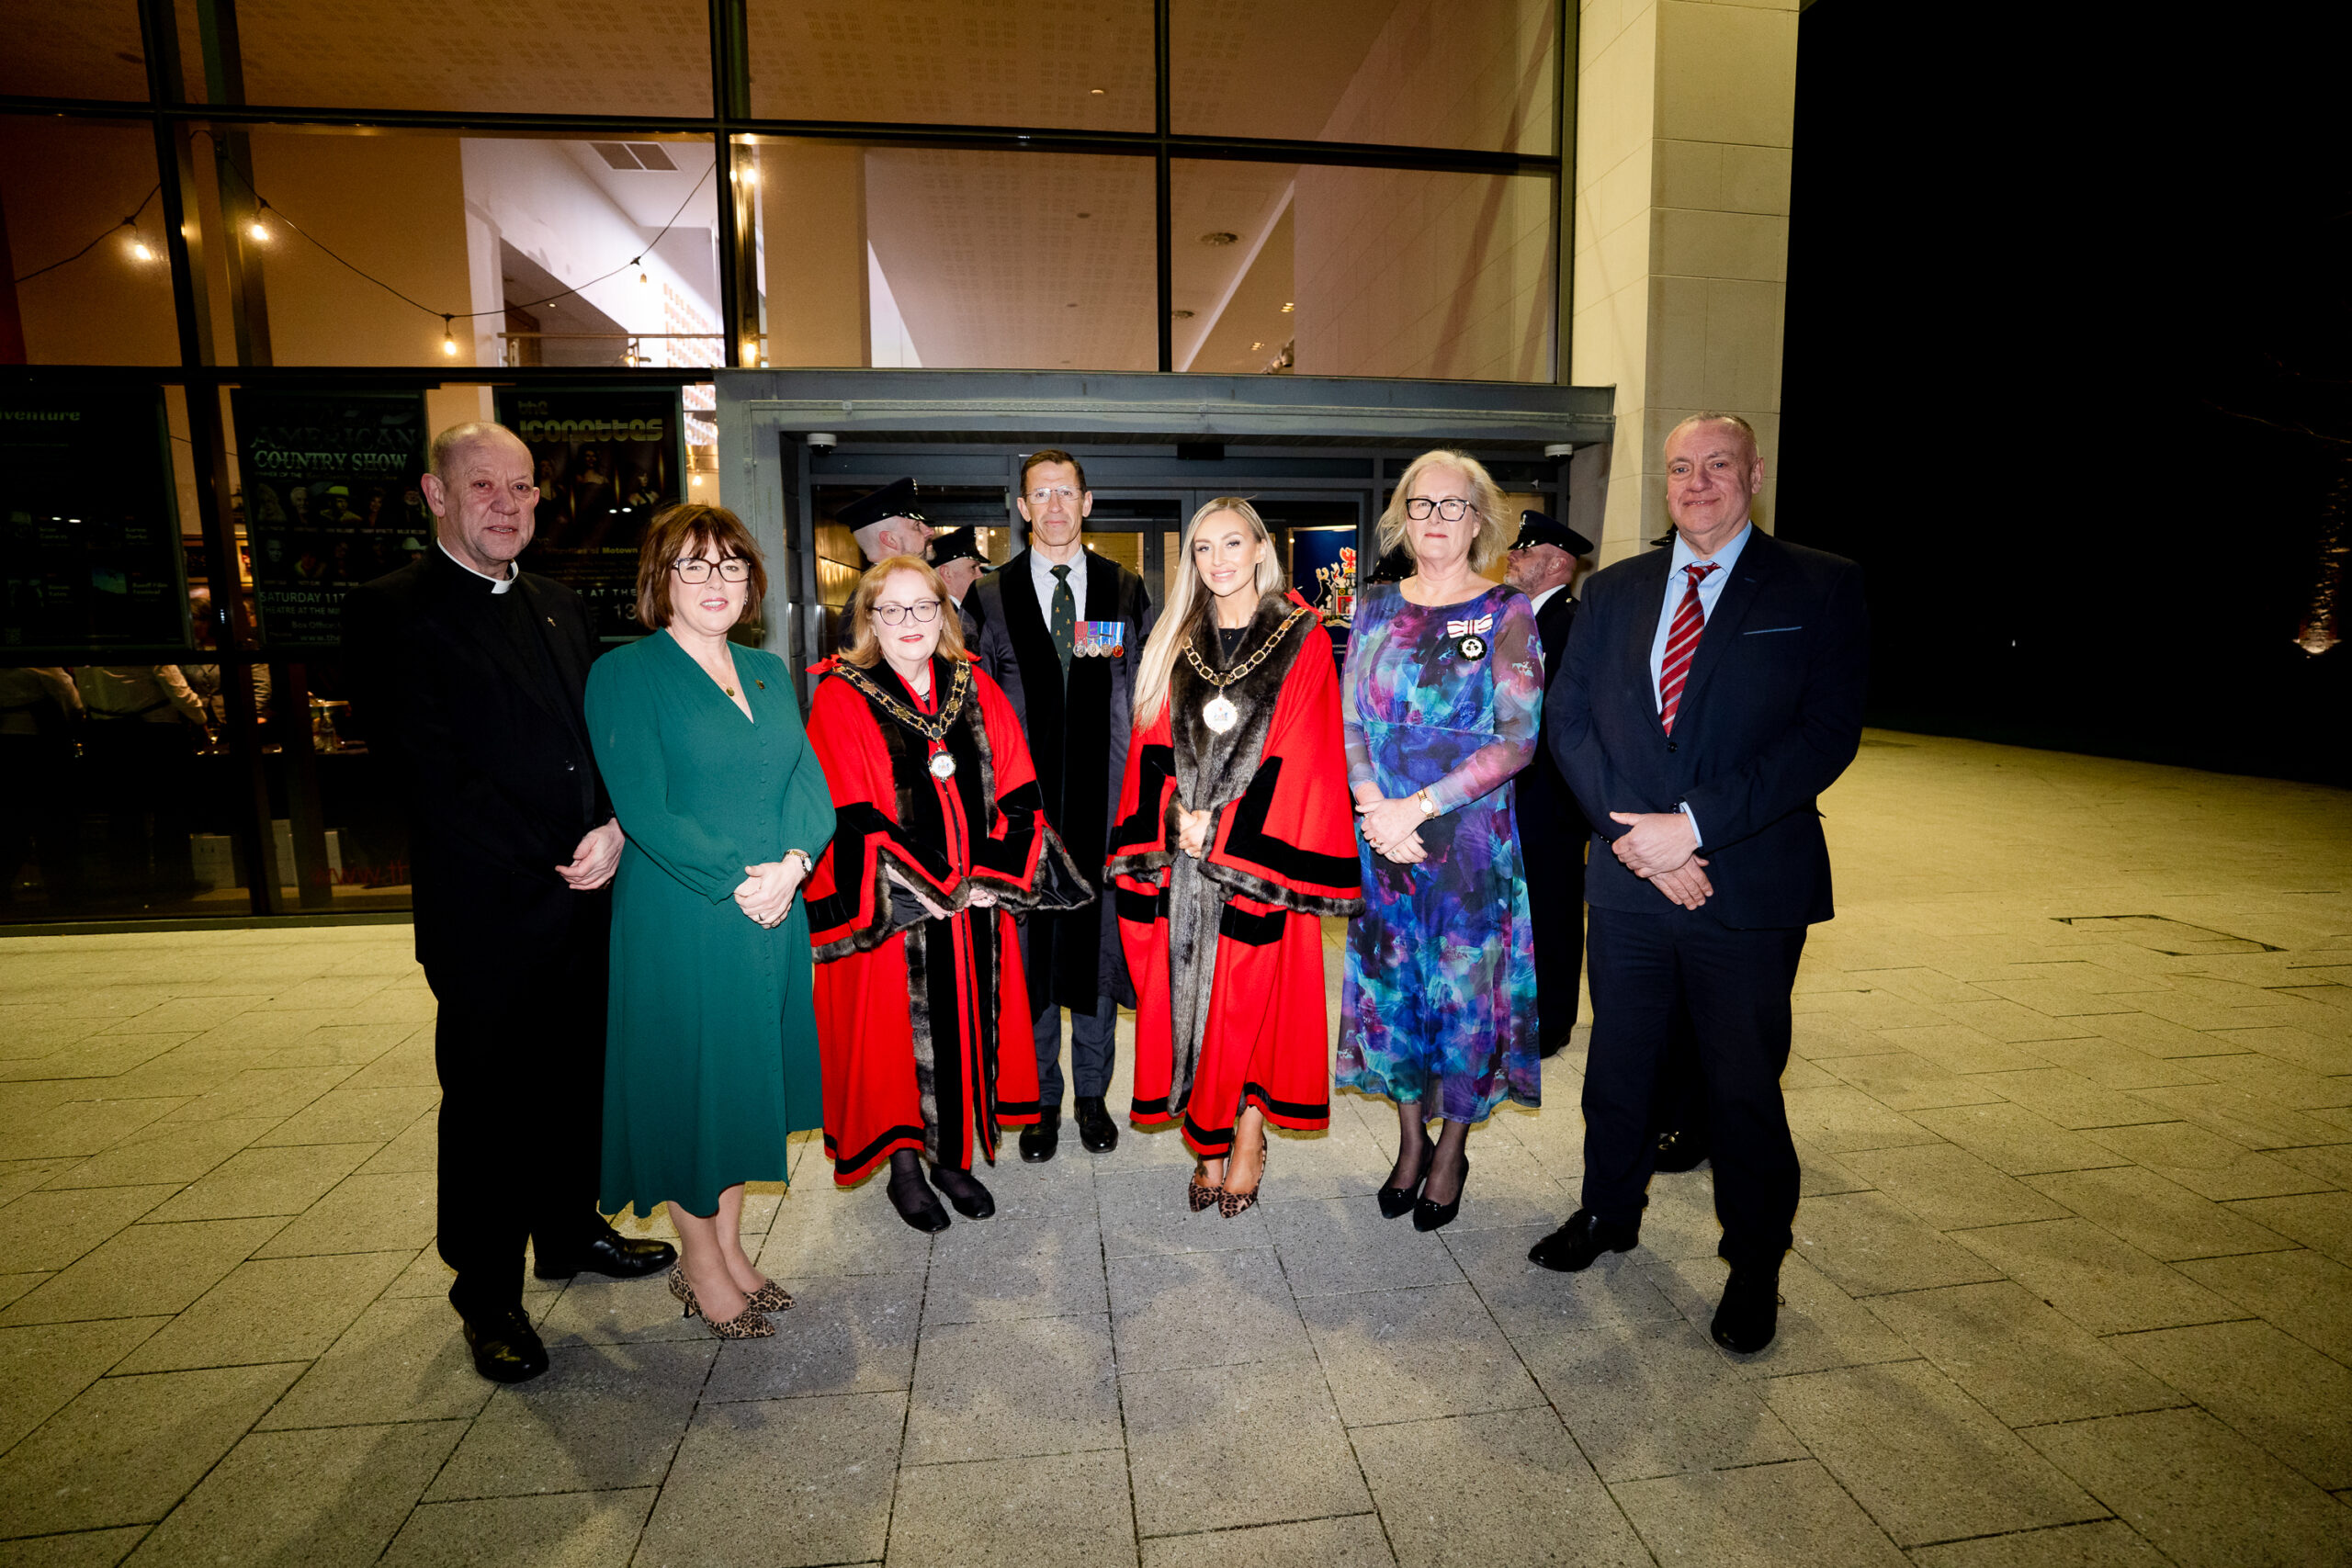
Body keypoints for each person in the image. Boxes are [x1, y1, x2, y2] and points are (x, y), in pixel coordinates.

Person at [1527, 412, 1867, 1357]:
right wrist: (1635, 841)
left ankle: (1754, 1262)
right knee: (1620, 1064)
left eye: (1717, 465)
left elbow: (1823, 736)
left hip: (1746, 884)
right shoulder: (1618, 591)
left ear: (1753, 473)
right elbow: (1570, 724)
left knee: (1740, 1082)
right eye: (1681, 468)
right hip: (1632, 882)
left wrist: (1695, 830)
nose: (1697, 482)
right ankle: (1607, 1214)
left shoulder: (1820, 586)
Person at [344, 421, 675, 1386]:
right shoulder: (390, 611)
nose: (507, 505)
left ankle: (569, 1232)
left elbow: (602, 739)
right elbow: (428, 775)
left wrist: (615, 825)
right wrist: (556, 851)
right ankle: (485, 1294)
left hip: (586, 897)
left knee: (578, 1081)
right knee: (489, 1106)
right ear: (435, 495)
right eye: (483, 486)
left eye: (522, 488)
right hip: (488, 909)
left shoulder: (560, 605)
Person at [584, 504, 832, 1337]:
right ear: (662, 580)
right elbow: (643, 806)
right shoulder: (626, 675)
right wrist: (740, 881)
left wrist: (795, 864)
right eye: (694, 566)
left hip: (771, 907)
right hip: (686, 918)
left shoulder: (767, 671)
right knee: (692, 1086)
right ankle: (698, 1264)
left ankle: (728, 1249)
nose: (715, 581)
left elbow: (808, 781)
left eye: (730, 565)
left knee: (739, 1084)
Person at [804, 556, 1091, 1230]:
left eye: (924, 607)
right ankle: (907, 1169)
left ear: (944, 614)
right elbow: (848, 812)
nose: (910, 622)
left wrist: (990, 878)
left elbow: (1020, 791)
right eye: (892, 609)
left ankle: (951, 1159)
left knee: (966, 1032)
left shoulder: (975, 688)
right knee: (896, 1042)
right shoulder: (843, 694)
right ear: (868, 619)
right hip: (896, 910)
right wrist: (928, 886)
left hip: (972, 913)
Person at [1107, 500, 1362, 1215]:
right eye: (1202, 549)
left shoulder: (1301, 635)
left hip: (1260, 856)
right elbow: (1150, 746)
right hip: (1184, 854)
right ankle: (1207, 1136)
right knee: (1198, 999)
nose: (1217, 560)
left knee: (1255, 999)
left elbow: (1304, 751)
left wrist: (1221, 827)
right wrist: (1175, 819)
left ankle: (1246, 1133)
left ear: (1259, 550)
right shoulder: (1174, 638)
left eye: (1231, 544)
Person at [1338, 449, 1541, 1232]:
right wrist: (1373, 806)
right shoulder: (1375, 607)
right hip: (1383, 839)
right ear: (1402, 515)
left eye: (1452, 506)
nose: (1435, 521)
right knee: (1393, 996)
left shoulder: (1507, 613)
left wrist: (1413, 808)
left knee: (1459, 1000)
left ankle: (1452, 1149)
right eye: (1421, 506)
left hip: (1466, 848)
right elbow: (1353, 719)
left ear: (1479, 518)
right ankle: (1409, 1141)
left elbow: (1517, 740)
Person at [970, 449, 1158, 1161]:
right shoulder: (991, 597)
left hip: (1103, 812)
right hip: (1023, 818)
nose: (1052, 505)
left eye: (1065, 492)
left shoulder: (1123, 589)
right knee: (1032, 964)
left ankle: (1090, 1096)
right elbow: (977, 710)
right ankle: (1041, 1100)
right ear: (1021, 509)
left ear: (1087, 501)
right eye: (1038, 494)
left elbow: (1142, 704)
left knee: (1098, 960)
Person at [1502, 509, 1595, 1059]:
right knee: (1515, 910)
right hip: (1503, 794)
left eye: (1525, 550)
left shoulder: (1574, 623)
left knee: (1554, 911)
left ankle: (1551, 1022)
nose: (1512, 556)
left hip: (1552, 801)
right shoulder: (1506, 618)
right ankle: (1513, 1011)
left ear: (1558, 562)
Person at [74, 664, 209, 899]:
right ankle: (174, 881)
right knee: (170, 812)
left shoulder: (88, 653)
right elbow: (177, 690)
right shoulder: (149, 646)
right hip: (156, 732)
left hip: (107, 733)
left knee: (122, 814)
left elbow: (82, 691)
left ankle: (128, 882)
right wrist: (199, 717)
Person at [0, 667, 82, 908]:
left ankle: (4, 887)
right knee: (53, 824)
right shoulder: (42, 666)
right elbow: (70, 699)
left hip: (7, 746)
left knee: (10, 824)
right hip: (41, 747)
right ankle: (62, 892)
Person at [833, 478, 935, 651]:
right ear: (890, 540)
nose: (929, 531)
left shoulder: (880, 593)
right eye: (917, 526)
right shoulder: (867, 604)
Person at [929, 526, 989, 640]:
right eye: (973, 568)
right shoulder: (940, 616)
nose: (980, 575)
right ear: (946, 573)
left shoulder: (960, 612)